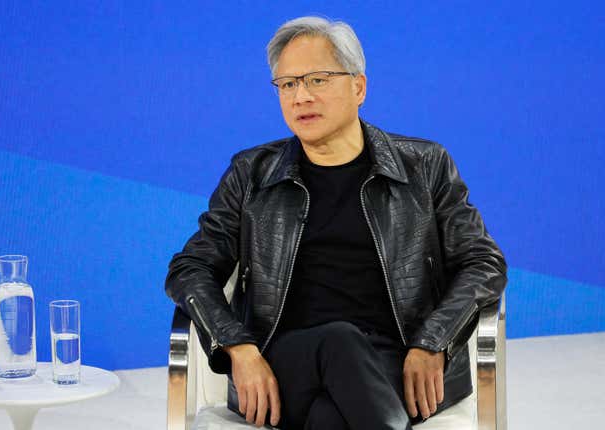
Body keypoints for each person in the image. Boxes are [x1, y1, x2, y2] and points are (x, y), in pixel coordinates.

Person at [165, 16, 507, 430]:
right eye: (287, 84)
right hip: (284, 364)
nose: (300, 97)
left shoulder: (425, 166)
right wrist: (238, 347)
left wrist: (432, 342)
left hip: (394, 364)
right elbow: (190, 268)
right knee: (339, 340)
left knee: (329, 418)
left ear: (358, 87)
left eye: (317, 79)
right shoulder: (251, 174)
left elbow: (482, 262)